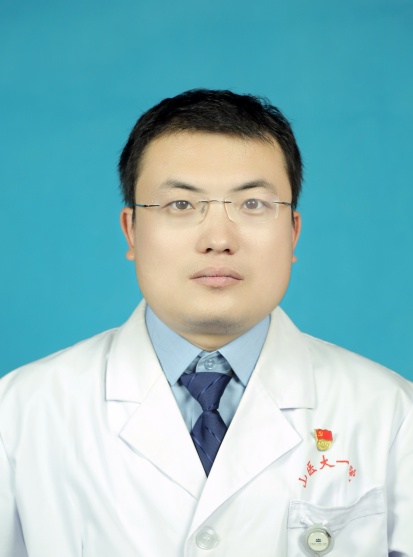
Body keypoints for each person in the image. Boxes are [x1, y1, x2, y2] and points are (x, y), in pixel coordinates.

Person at [0, 89, 412, 557]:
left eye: (252, 204)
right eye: (181, 204)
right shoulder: (19, 416)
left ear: (293, 232)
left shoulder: (392, 415)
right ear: (131, 230)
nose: (218, 239)